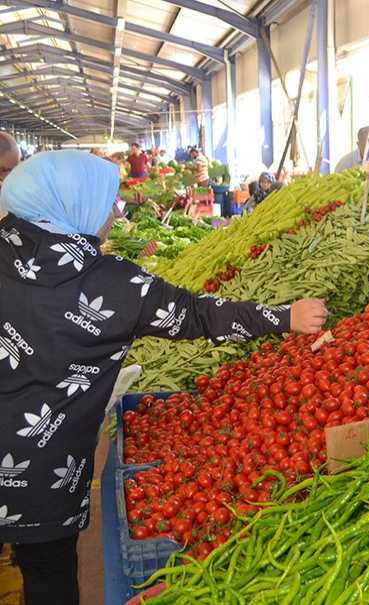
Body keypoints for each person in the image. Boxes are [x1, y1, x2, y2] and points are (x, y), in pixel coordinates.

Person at [0, 151, 329, 605]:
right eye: (108, 203)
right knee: (47, 574)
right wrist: (284, 316)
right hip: (41, 477)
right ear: (74, 208)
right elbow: (196, 315)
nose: (116, 213)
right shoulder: (112, 285)